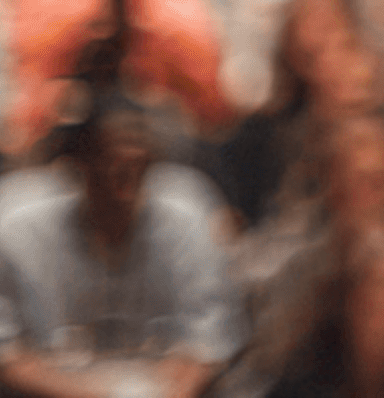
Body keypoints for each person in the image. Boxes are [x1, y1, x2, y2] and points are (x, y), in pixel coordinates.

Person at [0, 94, 243, 398]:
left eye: (136, 158)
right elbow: (9, 356)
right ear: (78, 161)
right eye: (109, 158)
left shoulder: (187, 213)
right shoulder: (18, 223)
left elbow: (207, 346)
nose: (122, 173)